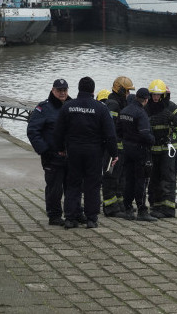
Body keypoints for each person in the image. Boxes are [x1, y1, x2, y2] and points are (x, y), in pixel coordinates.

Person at [53, 77, 118, 229]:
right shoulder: (101, 108)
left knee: (73, 184)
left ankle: (70, 218)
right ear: (93, 90)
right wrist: (114, 153)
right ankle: (91, 219)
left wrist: (60, 148)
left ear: (78, 88)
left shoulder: (68, 106)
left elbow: (58, 131)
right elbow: (110, 134)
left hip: (73, 151)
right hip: (94, 152)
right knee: (92, 185)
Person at [27, 79, 71, 226]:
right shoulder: (44, 108)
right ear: (53, 90)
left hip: (71, 156)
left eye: (65, 90)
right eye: (59, 90)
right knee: (54, 188)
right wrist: (45, 151)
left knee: (72, 187)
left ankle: (73, 213)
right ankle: (54, 215)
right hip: (52, 156)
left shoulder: (72, 106)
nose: (62, 93)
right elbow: (33, 131)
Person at [145, 79, 177, 218]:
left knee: (167, 179)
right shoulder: (147, 108)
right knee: (154, 180)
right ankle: (156, 206)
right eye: (153, 95)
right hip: (153, 149)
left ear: (163, 95)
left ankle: (168, 209)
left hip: (169, 149)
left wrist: (173, 119)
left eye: (158, 95)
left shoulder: (171, 107)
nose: (155, 97)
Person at [118, 88, 156, 222]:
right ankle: (142, 210)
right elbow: (145, 133)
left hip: (126, 149)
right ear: (146, 100)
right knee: (141, 180)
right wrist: (152, 140)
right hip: (140, 150)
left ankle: (128, 209)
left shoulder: (124, 111)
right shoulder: (141, 113)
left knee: (128, 179)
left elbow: (118, 130)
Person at [101, 76, 135, 218]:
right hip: (112, 149)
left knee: (120, 178)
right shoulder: (113, 104)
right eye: (127, 91)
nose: (128, 94)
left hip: (120, 149)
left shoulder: (119, 103)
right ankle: (110, 208)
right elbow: (111, 128)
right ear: (120, 90)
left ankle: (119, 205)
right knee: (111, 178)